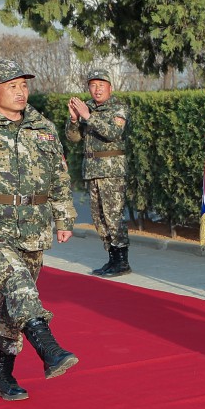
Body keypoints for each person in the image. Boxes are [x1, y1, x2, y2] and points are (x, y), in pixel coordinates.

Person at [0, 59, 79, 401]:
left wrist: (65, 218)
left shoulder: (42, 126)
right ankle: (49, 348)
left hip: (34, 227)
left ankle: (0, 373)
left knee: (12, 305)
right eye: (12, 85)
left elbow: (58, 175)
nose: (20, 91)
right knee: (20, 287)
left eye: (24, 85)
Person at [66, 69, 131, 276]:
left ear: (110, 87)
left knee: (113, 217)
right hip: (93, 171)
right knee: (99, 218)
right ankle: (112, 258)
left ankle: (122, 261)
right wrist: (75, 119)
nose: (97, 89)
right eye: (93, 85)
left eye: (101, 85)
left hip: (112, 172)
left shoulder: (118, 107)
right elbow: (74, 138)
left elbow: (113, 132)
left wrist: (87, 116)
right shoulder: (89, 108)